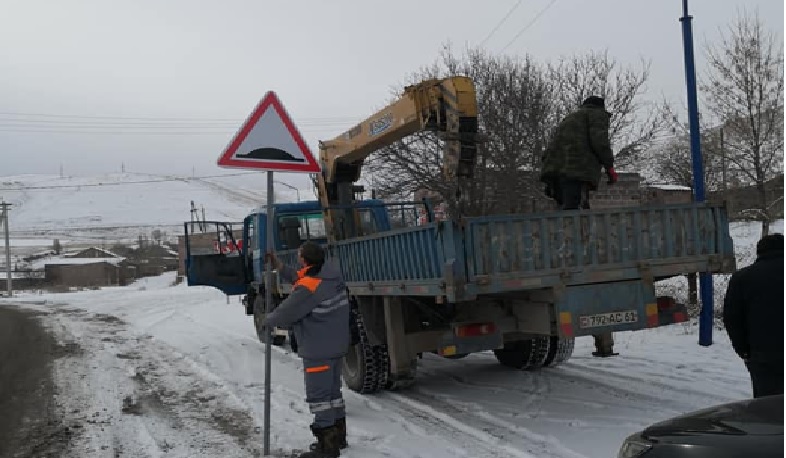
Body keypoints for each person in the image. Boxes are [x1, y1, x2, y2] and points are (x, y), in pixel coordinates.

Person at [540, 95, 619, 357]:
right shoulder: (595, 116)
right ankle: (575, 251)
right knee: (576, 213)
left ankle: (563, 249)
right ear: (600, 107)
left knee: (568, 211)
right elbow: (599, 141)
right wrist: (609, 166)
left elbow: (552, 147)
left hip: (556, 170)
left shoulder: (570, 118)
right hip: (576, 171)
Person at [264, 242, 350, 458]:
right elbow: (301, 279)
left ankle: (327, 448)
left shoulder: (309, 288)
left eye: (299, 255)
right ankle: (339, 437)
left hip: (318, 348)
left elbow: (285, 313)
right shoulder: (331, 275)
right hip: (336, 344)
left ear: (304, 260)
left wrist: (268, 321)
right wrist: (280, 267)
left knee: (319, 398)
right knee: (333, 394)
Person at [723, 233, 784, 398]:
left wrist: (744, 350)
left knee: (768, 405)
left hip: (764, 355)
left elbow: (732, 318)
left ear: (759, 252)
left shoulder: (742, 278)